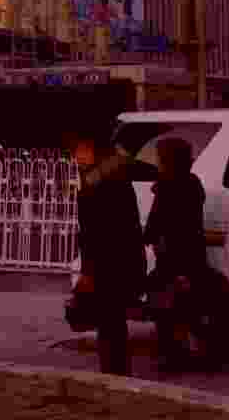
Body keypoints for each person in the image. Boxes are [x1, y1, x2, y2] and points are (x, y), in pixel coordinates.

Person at [72, 131, 145, 376]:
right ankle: (118, 371)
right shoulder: (117, 180)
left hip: (107, 266)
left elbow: (94, 234)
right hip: (122, 262)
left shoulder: (97, 184)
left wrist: (88, 271)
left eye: (83, 150)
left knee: (109, 323)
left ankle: (114, 374)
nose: (77, 156)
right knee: (114, 323)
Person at [143, 136, 208, 373]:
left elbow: (157, 225)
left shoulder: (169, 187)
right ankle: (192, 353)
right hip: (191, 257)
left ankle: (171, 357)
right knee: (187, 309)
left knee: (166, 310)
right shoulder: (192, 184)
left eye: (159, 157)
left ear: (167, 160)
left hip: (172, 259)